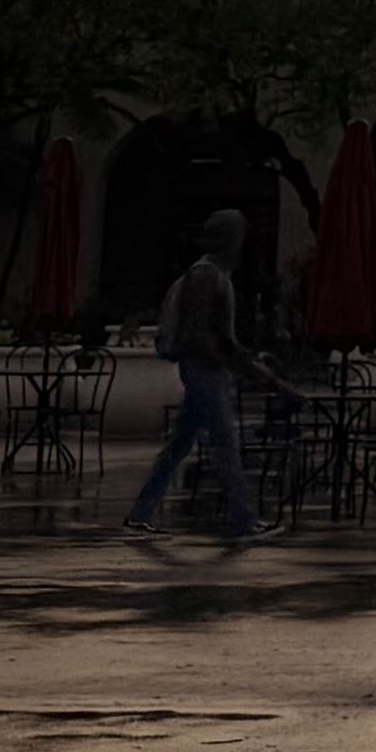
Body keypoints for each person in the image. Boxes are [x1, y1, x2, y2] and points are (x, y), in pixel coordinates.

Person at [125, 209, 264, 543]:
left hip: (207, 367)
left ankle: (140, 515)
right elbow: (199, 333)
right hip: (203, 369)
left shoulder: (215, 275)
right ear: (228, 240)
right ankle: (245, 521)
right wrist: (228, 358)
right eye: (238, 238)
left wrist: (241, 358)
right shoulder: (205, 276)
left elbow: (216, 333)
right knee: (225, 443)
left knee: (180, 445)